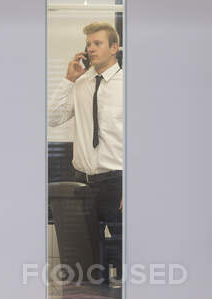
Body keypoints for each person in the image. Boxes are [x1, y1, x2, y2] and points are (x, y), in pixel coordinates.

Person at [48, 22, 123, 282]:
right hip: (85, 184)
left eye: (97, 43)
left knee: (128, 258)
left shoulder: (129, 85)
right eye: (88, 44)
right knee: (87, 264)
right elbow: (52, 118)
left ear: (114, 48)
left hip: (119, 184)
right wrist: (68, 80)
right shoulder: (80, 84)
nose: (90, 48)